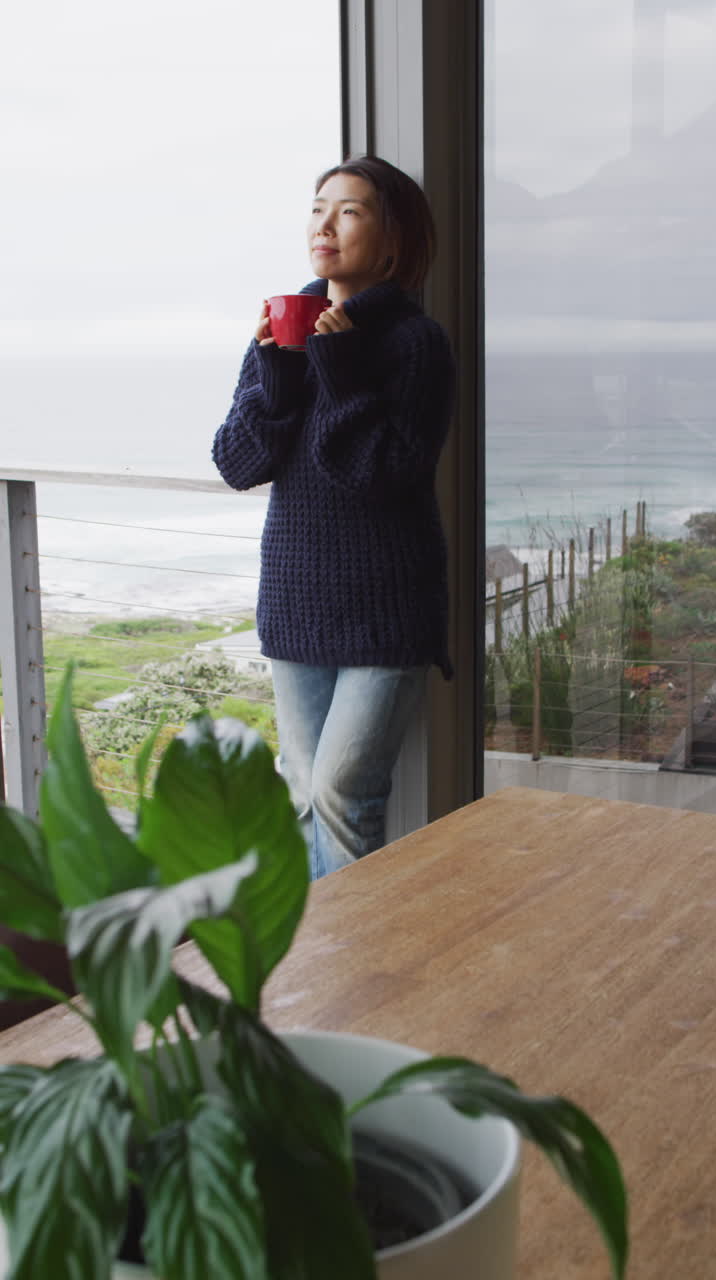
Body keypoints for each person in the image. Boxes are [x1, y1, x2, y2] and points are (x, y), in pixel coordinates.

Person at [212, 154, 455, 879]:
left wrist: (339, 368)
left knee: (341, 793)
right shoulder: (280, 337)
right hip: (297, 603)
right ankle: (321, 966)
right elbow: (237, 462)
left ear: (391, 242)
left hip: (388, 609)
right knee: (300, 796)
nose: (326, 223)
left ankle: (353, 980)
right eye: (319, 207)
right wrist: (280, 376)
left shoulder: (415, 343)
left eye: (349, 210)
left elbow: (380, 473)